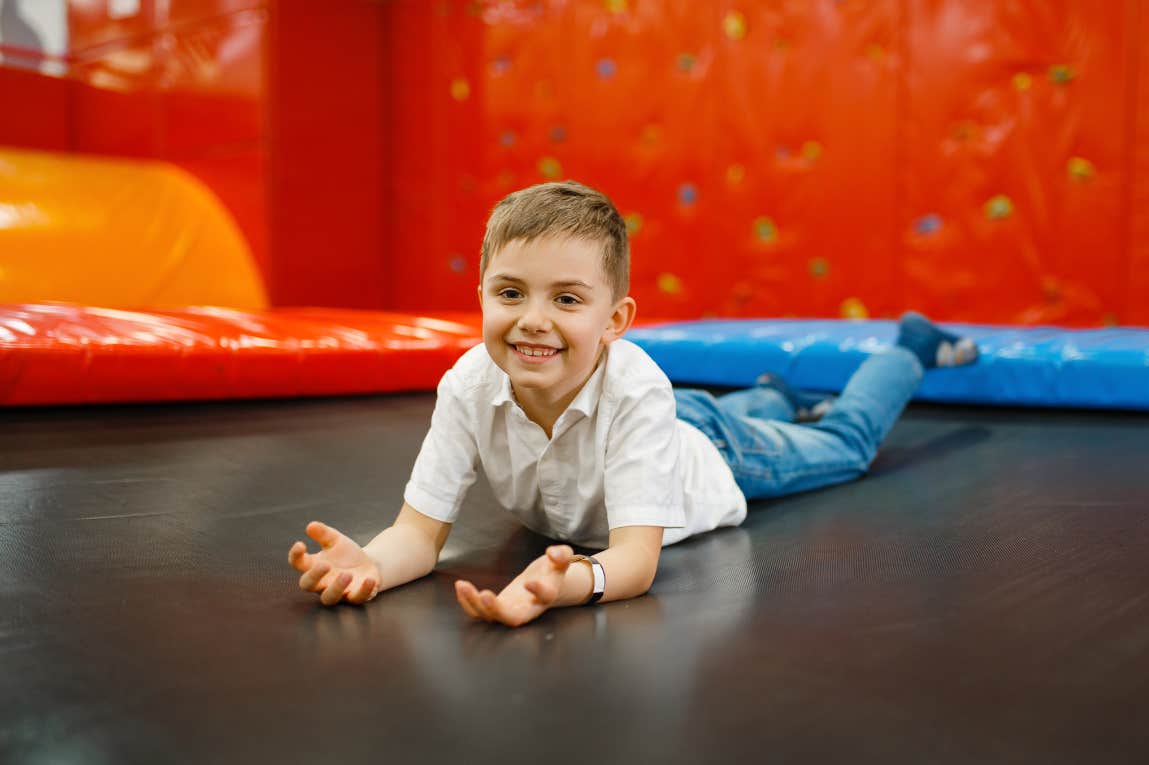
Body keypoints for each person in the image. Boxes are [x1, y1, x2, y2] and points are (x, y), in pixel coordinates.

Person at [287, 180, 977, 627]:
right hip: (676, 425)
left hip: (716, 457)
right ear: (482, 297)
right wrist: (374, 562)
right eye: (510, 293)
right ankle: (773, 394)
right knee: (716, 411)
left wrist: (571, 586)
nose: (532, 319)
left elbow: (635, 560)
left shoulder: (638, 387)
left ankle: (908, 349)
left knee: (849, 445)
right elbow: (418, 534)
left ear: (615, 320)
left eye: (566, 299)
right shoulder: (468, 384)